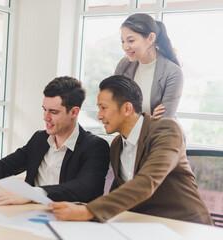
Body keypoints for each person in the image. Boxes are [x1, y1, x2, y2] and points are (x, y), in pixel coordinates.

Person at [49, 75, 213, 225]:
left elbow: (146, 181)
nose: (99, 116)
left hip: (185, 225)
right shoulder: (116, 145)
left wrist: (88, 211)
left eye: (103, 108)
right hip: (145, 226)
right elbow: (119, 193)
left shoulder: (166, 130)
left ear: (127, 109)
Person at [0, 76, 110, 205]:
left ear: (74, 112)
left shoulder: (95, 146)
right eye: (44, 109)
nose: (45, 117)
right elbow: (5, 165)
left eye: (53, 112)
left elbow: (85, 188)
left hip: (68, 221)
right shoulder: (40, 139)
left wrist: (32, 194)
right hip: (30, 214)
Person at [115, 13, 183, 120]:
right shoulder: (124, 65)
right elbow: (115, 108)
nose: (125, 47)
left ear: (151, 38)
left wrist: (133, 118)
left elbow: (163, 121)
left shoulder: (172, 72)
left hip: (162, 135)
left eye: (131, 40)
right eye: (122, 41)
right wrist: (149, 118)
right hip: (130, 136)